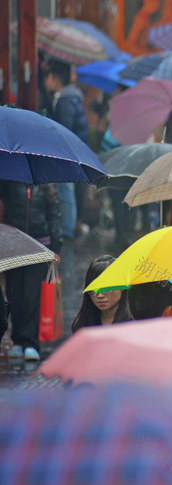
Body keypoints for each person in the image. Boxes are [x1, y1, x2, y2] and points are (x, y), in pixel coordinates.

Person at [0, 182, 62, 362]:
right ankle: (18, 339)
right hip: (14, 246)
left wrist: (56, 246)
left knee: (32, 296)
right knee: (14, 294)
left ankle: (31, 342)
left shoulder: (48, 188)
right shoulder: (9, 185)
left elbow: (55, 216)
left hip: (39, 248)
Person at [43, 61, 88, 242]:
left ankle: (67, 231)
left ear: (54, 79)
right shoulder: (69, 97)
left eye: (47, 77)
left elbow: (65, 130)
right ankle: (69, 226)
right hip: (75, 152)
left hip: (69, 153)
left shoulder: (65, 100)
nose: (45, 81)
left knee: (66, 189)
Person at [72, 256, 131, 332]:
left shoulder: (134, 322)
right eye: (93, 290)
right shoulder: (85, 324)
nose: (100, 295)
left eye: (106, 289)